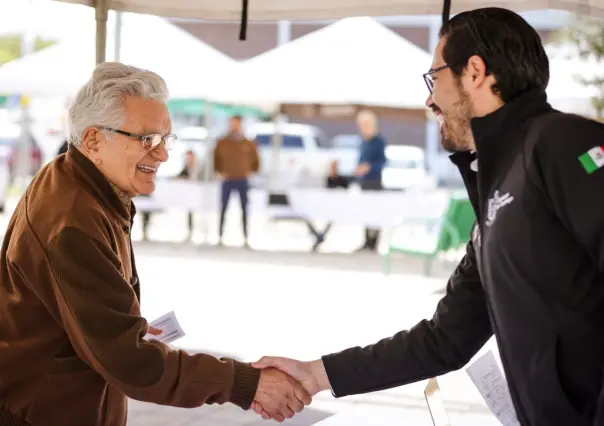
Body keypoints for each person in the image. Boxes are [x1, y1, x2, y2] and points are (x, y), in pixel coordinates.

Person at [251, 8, 604, 426]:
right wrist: (316, 374)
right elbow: (445, 339)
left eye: (433, 77)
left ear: (474, 71)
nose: (429, 99)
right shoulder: (497, 188)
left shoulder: (564, 143)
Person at [0, 62, 310, 426]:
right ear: (94, 141)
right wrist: (247, 383)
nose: (162, 154)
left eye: (166, 139)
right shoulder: (72, 220)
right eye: (147, 139)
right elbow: (130, 362)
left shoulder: (76, 182)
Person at [214, 115, 259, 248]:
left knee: (244, 208)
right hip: (227, 179)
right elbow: (216, 158)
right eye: (233, 123)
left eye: (237, 124)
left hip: (242, 180)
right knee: (223, 208)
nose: (235, 126)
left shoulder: (248, 143)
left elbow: (256, 161)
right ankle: (220, 236)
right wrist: (219, 171)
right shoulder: (222, 142)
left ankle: (245, 237)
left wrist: (250, 171)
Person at [354, 110, 386, 252]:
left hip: (375, 181)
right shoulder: (363, 141)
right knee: (365, 211)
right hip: (364, 181)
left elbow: (383, 162)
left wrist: (369, 167)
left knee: (375, 212)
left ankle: (374, 243)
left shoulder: (379, 141)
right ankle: (366, 241)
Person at [305, 160, 349, 251]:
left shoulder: (342, 180)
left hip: (335, 207)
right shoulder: (325, 179)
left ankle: (320, 237)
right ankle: (318, 236)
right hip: (322, 206)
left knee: (330, 220)